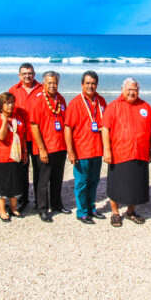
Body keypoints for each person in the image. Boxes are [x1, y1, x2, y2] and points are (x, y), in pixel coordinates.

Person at [101, 78, 151, 227]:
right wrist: (106, 150)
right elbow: (105, 128)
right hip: (119, 153)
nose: (132, 92)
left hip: (140, 153)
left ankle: (131, 212)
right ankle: (115, 212)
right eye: (129, 89)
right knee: (116, 184)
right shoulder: (113, 106)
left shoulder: (145, 106)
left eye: (135, 89)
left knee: (137, 185)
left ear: (138, 90)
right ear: (122, 89)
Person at [65, 71, 108, 224]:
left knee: (94, 181)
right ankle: (81, 212)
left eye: (93, 83)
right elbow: (68, 128)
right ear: (82, 84)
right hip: (81, 150)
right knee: (81, 183)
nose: (91, 86)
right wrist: (70, 151)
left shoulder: (101, 101)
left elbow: (106, 125)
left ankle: (91, 207)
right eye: (88, 83)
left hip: (97, 149)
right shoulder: (75, 102)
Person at [30, 71, 69, 222]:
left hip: (60, 146)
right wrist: (42, 149)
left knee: (57, 178)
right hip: (45, 147)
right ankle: (42, 208)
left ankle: (57, 204)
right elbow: (34, 126)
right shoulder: (38, 101)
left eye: (55, 83)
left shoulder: (61, 99)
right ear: (44, 84)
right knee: (43, 180)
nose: (53, 85)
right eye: (50, 83)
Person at [8, 63, 43, 212]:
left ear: (34, 74)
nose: (27, 76)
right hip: (19, 138)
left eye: (30, 73)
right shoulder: (13, 90)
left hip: (38, 137)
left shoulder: (42, 89)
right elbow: (6, 111)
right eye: (24, 73)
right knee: (21, 170)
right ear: (19, 75)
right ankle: (22, 199)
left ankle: (40, 201)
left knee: (39, 170)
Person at [0, 92, 29, 222]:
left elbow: (22, 135)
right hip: (2, 156)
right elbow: (0, 136)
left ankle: (13, 207)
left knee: (15, 183)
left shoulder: (17, 117)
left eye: (12, 102)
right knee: (2, 184)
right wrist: (4, 121)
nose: (10, 105)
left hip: (16, 155)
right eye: (7, 103)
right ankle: (2, 210)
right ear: (1, 105)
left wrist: (25, 151)